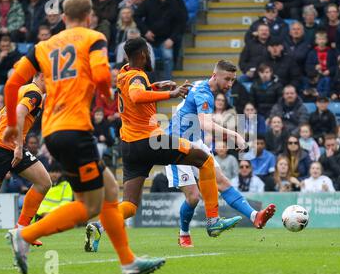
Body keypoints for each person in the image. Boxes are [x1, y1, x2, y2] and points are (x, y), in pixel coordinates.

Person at [3, 0, 162, 274]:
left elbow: (13, 81)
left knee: (111, 192)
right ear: (89, 17)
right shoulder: (93, 38)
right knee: (88, 205)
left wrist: (14, 127)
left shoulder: (43, 46)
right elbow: (102, 75)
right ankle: (23, 235)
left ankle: (128, 261)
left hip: (52, 130)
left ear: (63, 18)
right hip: (74, 129)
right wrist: (102, 94)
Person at [88, 57, 247, 250]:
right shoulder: (138, 77)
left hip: (129, 145)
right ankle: (212, 221)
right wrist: (170, 93)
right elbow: (138, 96)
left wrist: (156, 87)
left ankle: (99, 226)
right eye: (146, 53)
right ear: (141, 54)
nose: (148, 56)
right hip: (151, 140)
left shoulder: (123, 76)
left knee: (130, 205)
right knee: (204, 161)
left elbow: (135, 95)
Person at [157, 61, 274, 247]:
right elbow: (205, 124)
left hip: (195, 143)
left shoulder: (202, 87)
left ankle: (255, 216)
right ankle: (184, 233)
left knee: (222, 182)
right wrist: (235, 134)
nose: (229, 84)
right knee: (193, 197)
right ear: (214, 75)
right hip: (175, 145)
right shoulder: (204, 93)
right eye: (227, 79)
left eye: (233, 80)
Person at [0, 74, 50, 248]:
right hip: (2, 150)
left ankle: (22, 230)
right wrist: (16, 147)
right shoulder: (34, 94)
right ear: (40, 76)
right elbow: (18, 114)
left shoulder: (22, 90)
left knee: (43, 182)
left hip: (4, 147)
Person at [134, 0, 187, 80]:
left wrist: (172, 39)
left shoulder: (174, 3)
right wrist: (145, 31)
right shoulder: (149, 1)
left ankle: (168, 83)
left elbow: (180, 23)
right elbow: (136, 16)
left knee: (168, 57)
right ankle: (147, 82)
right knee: (144, 59)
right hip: (149, 39)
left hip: (166, 39)